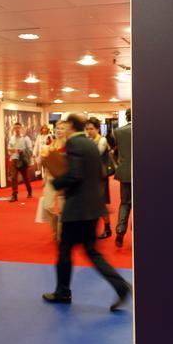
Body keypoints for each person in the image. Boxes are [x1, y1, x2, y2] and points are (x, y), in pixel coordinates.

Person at [42, 114, 131, 311]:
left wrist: (57, 182)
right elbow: (97, 173)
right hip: (93, 207)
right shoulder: (91, 144)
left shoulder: (74, 144)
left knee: (65, 250)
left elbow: (75, 174)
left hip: (77, 209)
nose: (63, 129)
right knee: (91, 252)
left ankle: (63, 292)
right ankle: (120, 286)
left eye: (65, 125)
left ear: (72, 126)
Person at [35, 121, 67, 241]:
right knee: (47, 206)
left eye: (62, 128)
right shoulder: (52, 143)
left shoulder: (70, 145)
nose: (59, 130)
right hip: (50, 179)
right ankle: (55, 228)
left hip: (63, 180)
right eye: (57, 128)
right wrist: (44, 178)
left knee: (63, 208)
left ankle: (61, 234)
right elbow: (48, 163)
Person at [85, 117, 112, 239]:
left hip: (100, 177)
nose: (89, 131)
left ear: (97, 129)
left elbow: (95, 154)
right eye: (87, 129)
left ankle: (107, 229)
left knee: (100, 203)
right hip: (89, 176)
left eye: (91, 128)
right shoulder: (88, 140)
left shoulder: (102, 140)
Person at [113, 109, 132, 248]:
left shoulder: (118, 132)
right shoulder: (147, 129)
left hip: (124, 172)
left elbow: (117, 153)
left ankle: (120, 232)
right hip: (143, 172)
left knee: (125, 203)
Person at [7, 122, 32, 201]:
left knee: (25, 178)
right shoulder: (12, 138)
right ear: (14, 129)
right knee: (14, 177)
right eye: (15, 127)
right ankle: (14, 195)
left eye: (18, 127)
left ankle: (29, 190)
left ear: (21, 128)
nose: (17, 129)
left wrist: (22, 151)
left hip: (22, 160)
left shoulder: (25, 138)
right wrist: (11, 150)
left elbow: (30, 150)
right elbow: (9, 149)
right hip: (14, 159)